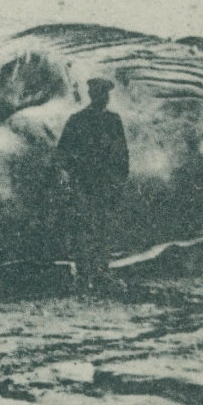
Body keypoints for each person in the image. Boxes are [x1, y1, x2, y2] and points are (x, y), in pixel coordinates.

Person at [53, 77, 130, 280]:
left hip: (106, 182)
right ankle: (85, 270)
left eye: (105, 94)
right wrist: (69, 174)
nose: (103, 98)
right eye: (99, 94)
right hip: (83, 182)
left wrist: (120, 178)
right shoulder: (77, 120)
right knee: (84, 225)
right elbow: (62, 152)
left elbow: (122, 152)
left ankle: (101, 269)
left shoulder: (113, 120)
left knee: (104, 225)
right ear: (91, 95)